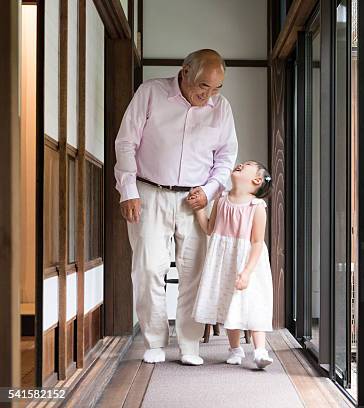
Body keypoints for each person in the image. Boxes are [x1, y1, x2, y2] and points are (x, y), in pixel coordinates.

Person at [114, 49, 238, 365]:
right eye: (202, 86)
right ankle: (155, 341)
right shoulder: (151, 93)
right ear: (184, 71)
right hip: (149, 191)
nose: (207, 95)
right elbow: (126, 142)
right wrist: (128, 190)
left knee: (194, 272)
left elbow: (226, 157)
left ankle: (189, 345)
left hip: (195, 200)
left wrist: (210, 192)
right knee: (148, 268)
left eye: (215, 88)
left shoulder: (221, 108)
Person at [192, 160, 274, 369]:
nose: (240, 165)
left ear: (256, 179)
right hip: (224, 260)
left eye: (247, 165)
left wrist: (246, 272)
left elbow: (257, 242)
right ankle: (235, 348)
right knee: (230, 302)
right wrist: (199, 210)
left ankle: (260, 350)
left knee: (254, 302)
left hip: (248, 262)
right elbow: (210, 229)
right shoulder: (221, 200)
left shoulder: (256, 207)